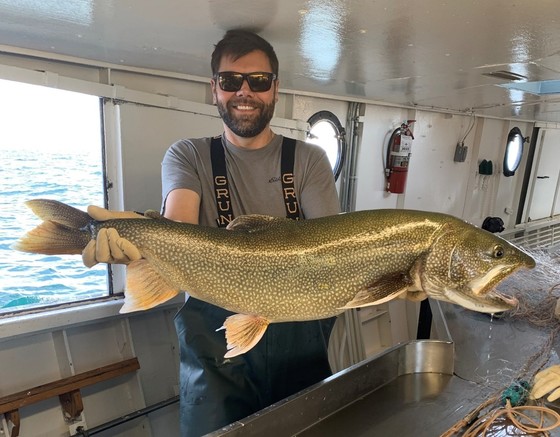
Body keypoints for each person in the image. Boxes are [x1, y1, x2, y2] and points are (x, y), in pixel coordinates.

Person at [84, 29, 340, 436]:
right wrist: (131, 238)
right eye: (230, 81)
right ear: (214, 88)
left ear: (275, 89)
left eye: (258, 81)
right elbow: (180, 227)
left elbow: (333, 249)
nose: (244, 92)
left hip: (300, 352)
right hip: (216, 362)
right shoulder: (188, 155)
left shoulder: (309, 160)